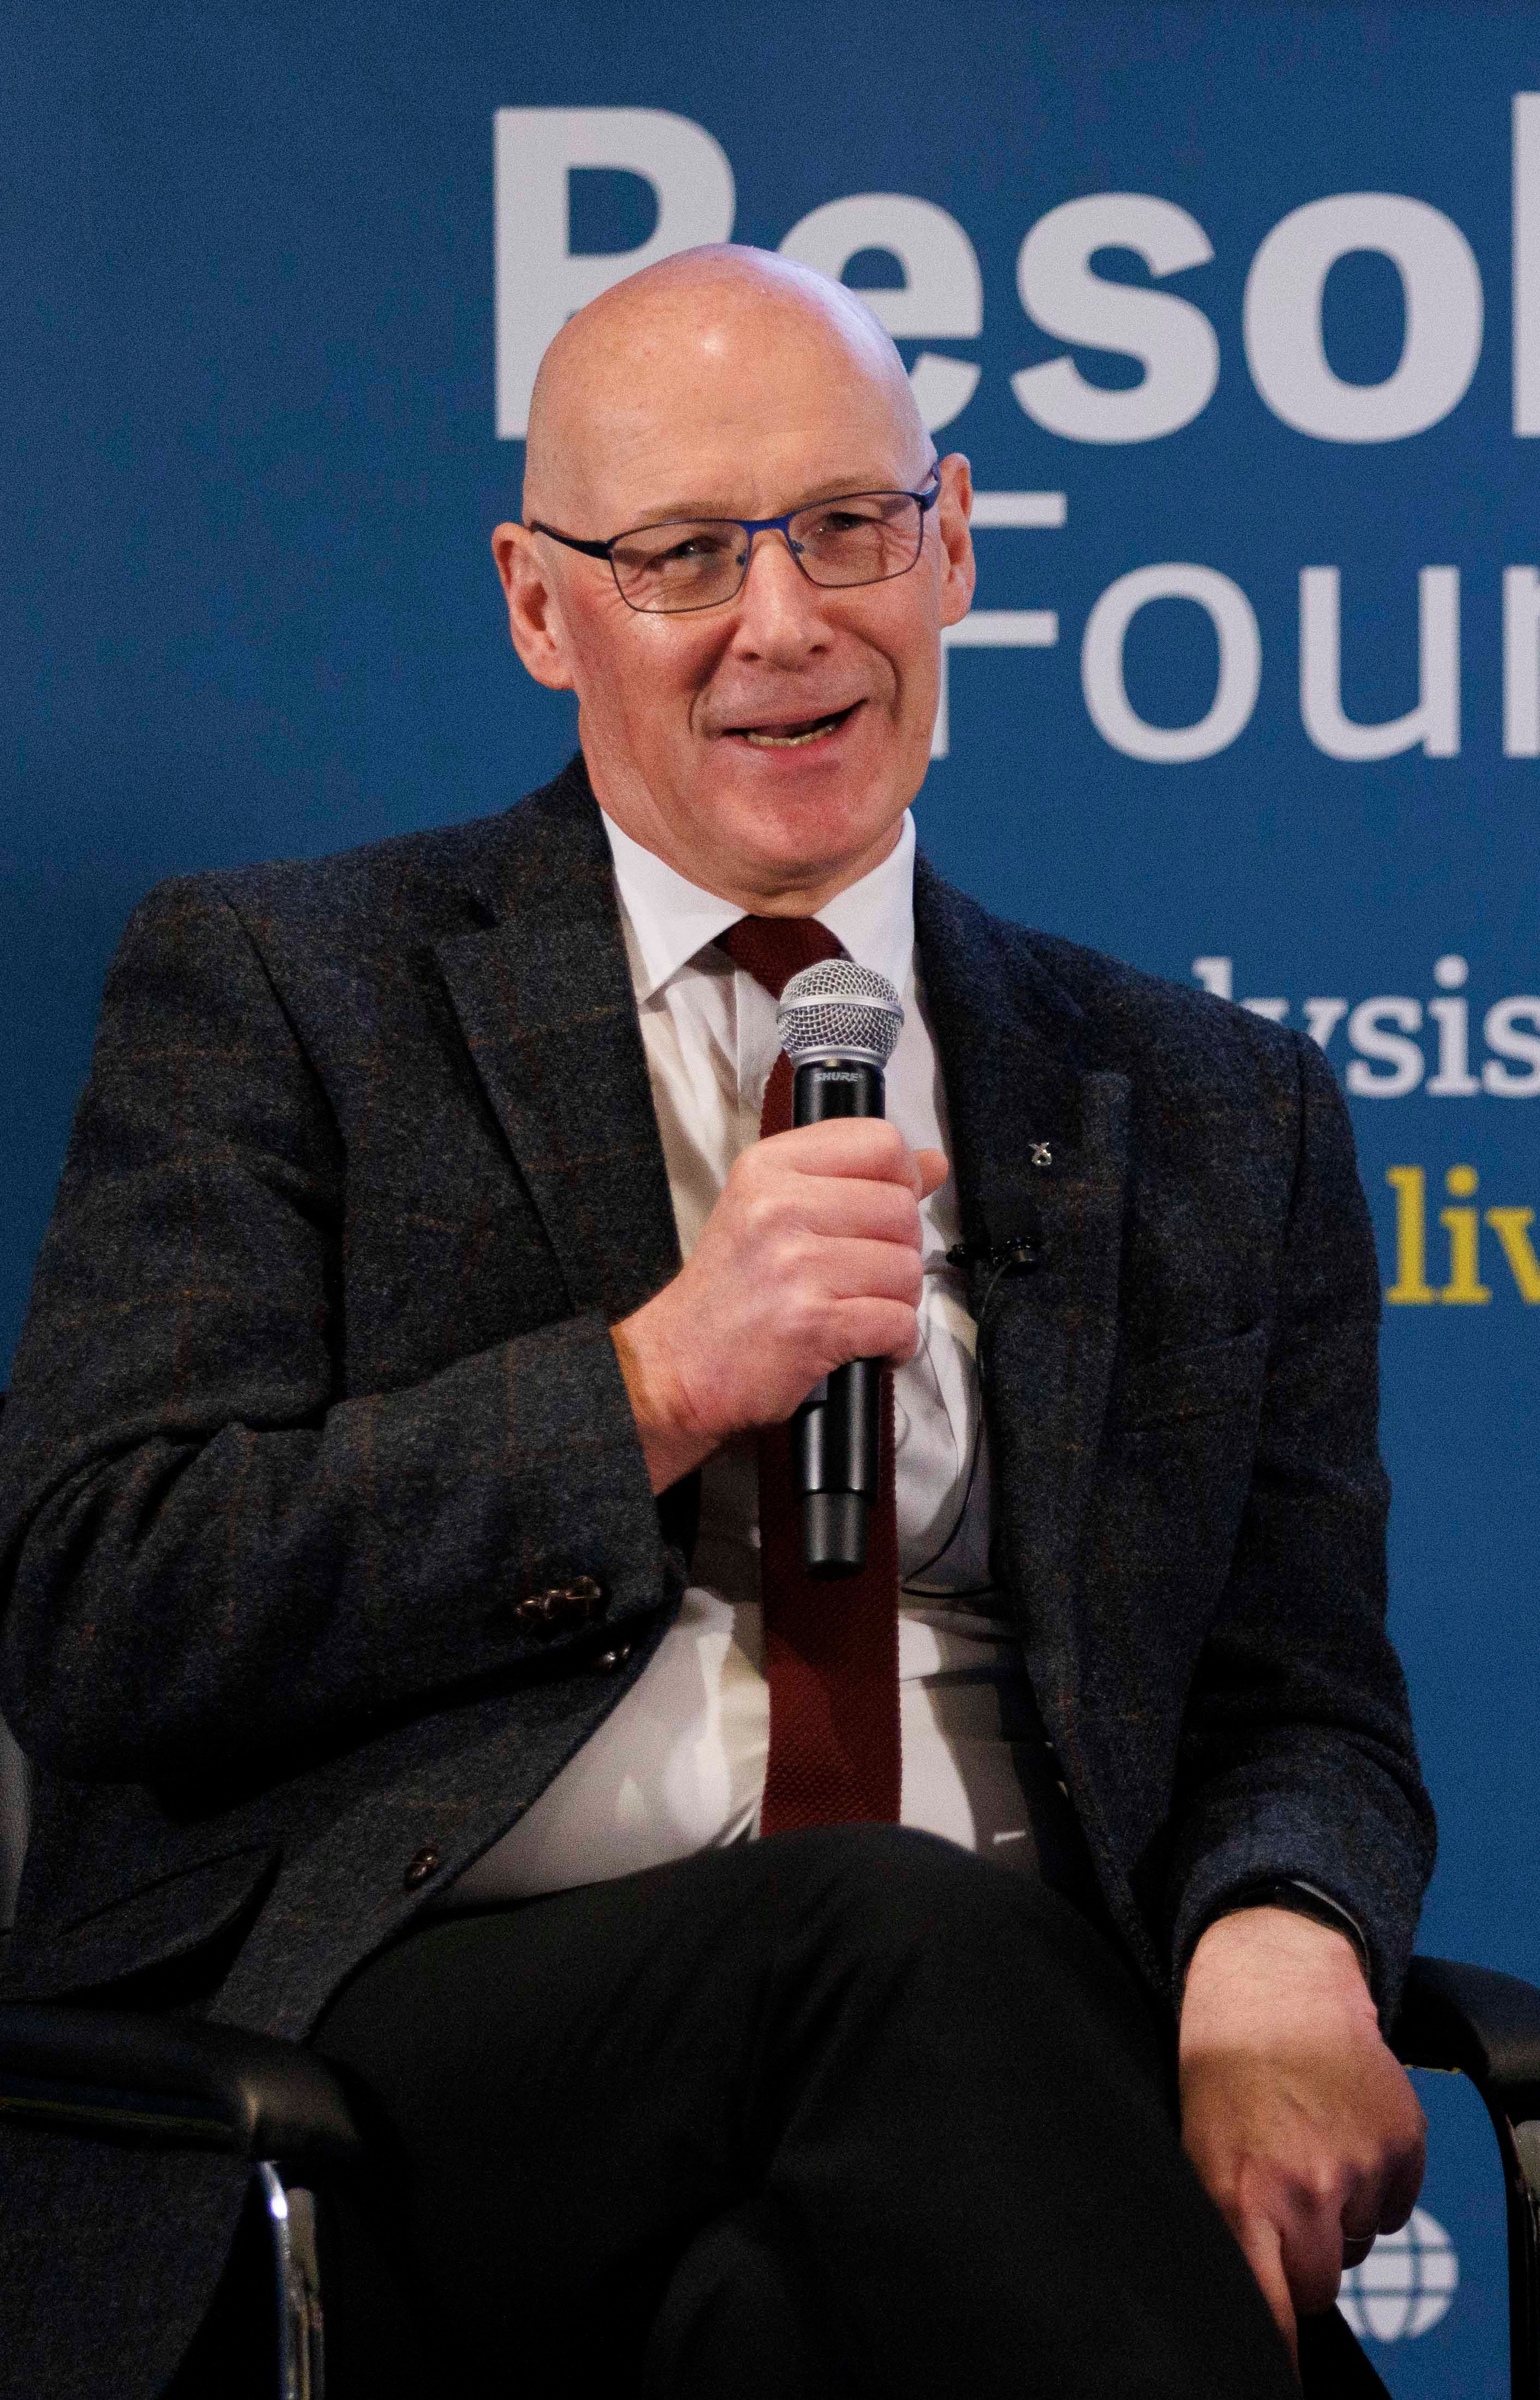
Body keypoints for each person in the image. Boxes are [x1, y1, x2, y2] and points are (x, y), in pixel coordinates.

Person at [0, 246, 1428, 2400]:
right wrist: (655, 1382)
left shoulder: (1210, 1103)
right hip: (419, 2061)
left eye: (845, 529)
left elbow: (1298, 1694)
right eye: (679, 555)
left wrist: (1283, 1952)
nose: (785, 622)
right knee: (892, 1941)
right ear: (536, 602)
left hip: (974, 2112)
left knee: (781, 2320)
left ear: (951, 548)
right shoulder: (299, 995)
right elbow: (106, 1598)